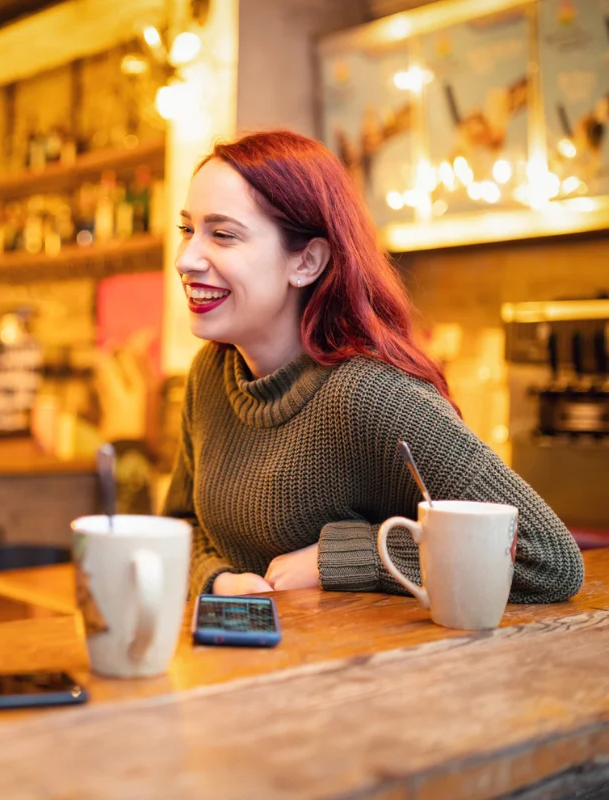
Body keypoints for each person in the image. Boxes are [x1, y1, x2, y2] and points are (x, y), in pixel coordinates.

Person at [163, 130, 584, 602]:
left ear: (306, 261)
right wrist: (218, 579)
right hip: (255, 664)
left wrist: (345, 558)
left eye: (222, 235)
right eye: (187, 230)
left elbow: (545, 556)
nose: (185, 259)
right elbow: (182, 524)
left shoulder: (369, 395)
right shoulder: (212, 373)